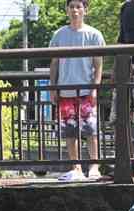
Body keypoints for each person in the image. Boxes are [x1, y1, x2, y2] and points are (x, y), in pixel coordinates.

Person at [48, 0, 105, 181]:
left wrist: (95, 88)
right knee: (70, 132)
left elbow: (98, 64)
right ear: (67, 10)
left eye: (79, 7)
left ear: (85, 10)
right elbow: (54, 63)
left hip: (86, 90)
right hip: (65, 89)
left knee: (91, 130)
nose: (75, 10)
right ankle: (77, 167)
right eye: (71, 7)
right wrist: (53, 87)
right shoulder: (59, 35)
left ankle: (94, 166)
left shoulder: (94, 34)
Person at [114, 0, 134, 179]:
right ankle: (124, 164)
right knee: (121, 116)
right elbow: (122, 38)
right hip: (127, 66)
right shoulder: (125, 7)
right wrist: (116, 68)